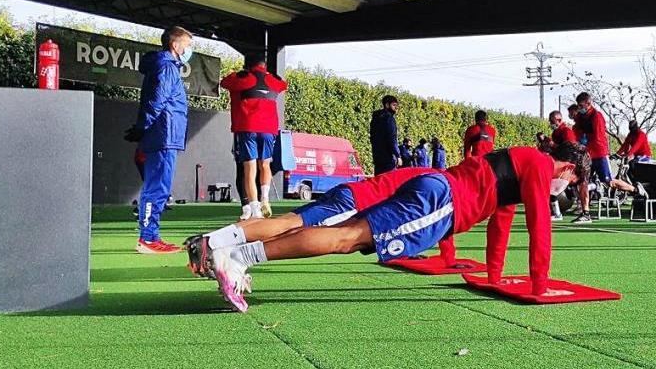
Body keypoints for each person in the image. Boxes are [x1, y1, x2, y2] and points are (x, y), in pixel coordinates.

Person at [204, 142, 590, 312]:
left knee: (348, 235)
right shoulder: (541, 167)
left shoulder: (520, 161)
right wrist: (541, 287)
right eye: (570, 184)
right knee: (347, 238)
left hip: (437, 191)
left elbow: (500, 224)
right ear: (568, 169)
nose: (564, 190)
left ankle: (231, 251)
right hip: (442, 201)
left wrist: (495, 277)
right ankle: (236, 256)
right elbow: (541, 227)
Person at [186, 167, 459, 277]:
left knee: (288, 222)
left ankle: (212, 242)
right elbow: (447, 225)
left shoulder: (433, 176)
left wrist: (449, 256)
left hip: (349, 193)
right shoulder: (440, 186)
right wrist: (449, 258)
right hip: (354, 202)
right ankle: (216, 245)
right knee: (289, 225)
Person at [124, 25, 192, 254]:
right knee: (157, 188)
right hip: (164, 134)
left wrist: (142, 128)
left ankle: (150, 236)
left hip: (164, 134)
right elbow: (157, 101)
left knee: (157, 187)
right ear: (175, 45)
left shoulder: (164, 66)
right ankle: (148, 239)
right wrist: (142, 127)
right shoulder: (167, 67)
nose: (189, 49)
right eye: (187, 45)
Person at [220, 53, 287, 220]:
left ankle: (255, 208)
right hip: (269, 129)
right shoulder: (273, 80)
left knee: (249, 168)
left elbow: (224, 82)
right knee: (265, 165)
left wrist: (240, 73)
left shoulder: (242, 78)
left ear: (247, 66)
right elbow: (283, 84)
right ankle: (265, 197)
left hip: (247, 128)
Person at [570, 92, 610, 224]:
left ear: (588, 104)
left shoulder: (597, 117)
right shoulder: (581, 117)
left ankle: (636, 190)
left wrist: (585, 148)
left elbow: (598, 139)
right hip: (587, 155)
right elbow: (577, 131)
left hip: (599, 153)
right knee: (582, 182)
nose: (579, 108)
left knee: (608, 181)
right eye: (578, 105)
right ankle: (585, 213)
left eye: (581, 105)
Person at [369, 95, 399, 175]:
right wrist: (397, 155)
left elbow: (372, 137)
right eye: (394, 105)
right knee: (389, 183)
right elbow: (392, 138)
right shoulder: (389, 119)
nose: (396, 108)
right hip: (388, 158)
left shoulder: (375, 118)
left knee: (378, 182)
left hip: (377, 157)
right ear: (387, 105)